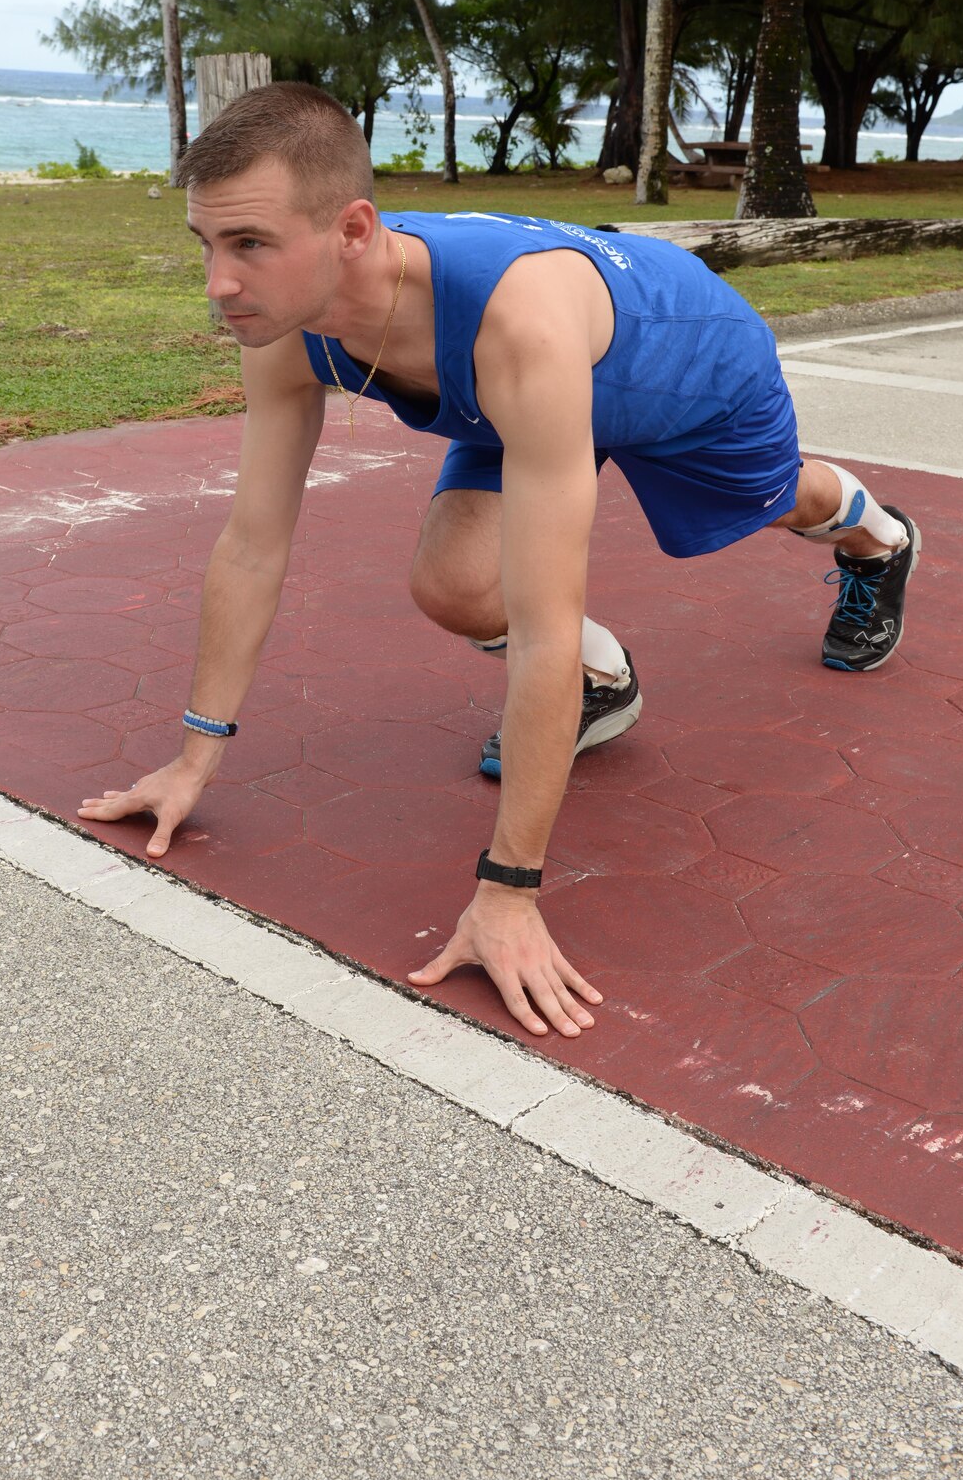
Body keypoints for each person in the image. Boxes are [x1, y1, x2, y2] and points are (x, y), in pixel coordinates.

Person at [79, 83, 920, 1041]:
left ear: (353, 229)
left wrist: (508, 892)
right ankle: (608, 687)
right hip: (512, 394)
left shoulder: (514, 323)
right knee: (454, 583)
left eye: (250, 245)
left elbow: (545, 622)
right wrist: (194, 759)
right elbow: (252, 543)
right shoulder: (289, 324)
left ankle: (878, 535)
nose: (218, 285)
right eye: (208, 246)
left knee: (778, 506)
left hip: (680, 361)